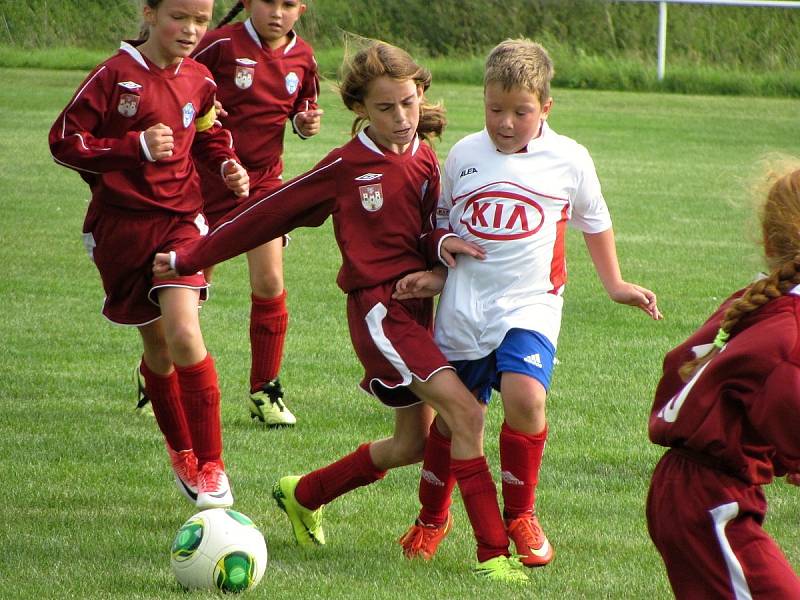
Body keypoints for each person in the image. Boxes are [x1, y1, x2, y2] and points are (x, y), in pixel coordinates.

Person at [154, 40, 531, 583]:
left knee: (413, 444)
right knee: (467, 413)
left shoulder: (425, 156)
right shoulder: (346, 167)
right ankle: (494, 555)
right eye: (386, 108)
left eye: (408, 102)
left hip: (420, 312)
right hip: (380, 313)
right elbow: (263, 215)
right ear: (360, 109)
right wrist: (189, 255)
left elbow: (429, 231)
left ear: (420, 93)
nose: (402, 118)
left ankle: (305, 493)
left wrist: (443, 261)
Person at [392, 38, 662, 567]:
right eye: (495, 110)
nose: (506, 123)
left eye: (522, 111)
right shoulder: (465, 153)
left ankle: (520, 513)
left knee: (526, 398)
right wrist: (437, 269)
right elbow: (443, 220)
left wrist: (615, 284)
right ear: (483, 101)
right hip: (465, 311)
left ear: (546, 108)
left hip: (531, 305)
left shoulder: (569, 159)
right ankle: (430, 518)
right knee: (449, 424)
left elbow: (595, 220)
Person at [49, 0, 250, 509]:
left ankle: (211, 464)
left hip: (182, 221)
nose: (191, 30)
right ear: (149, 12)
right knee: (159, 350)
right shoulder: (113, 74)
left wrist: (226, 164)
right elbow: (63, 142)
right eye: (179, 17)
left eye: (201, 20)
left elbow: (207, 133)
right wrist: (132, 147)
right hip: (121, 229)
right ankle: (181, 450)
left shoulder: (200, 79)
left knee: (184, 330)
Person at [138, 0, 323, 426]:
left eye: (288, 4)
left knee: (270, 279)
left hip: (262, 184)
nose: (277, 12)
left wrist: (303, 124)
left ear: (302, 8)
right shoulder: (219, 44)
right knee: (193, 288)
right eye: (268, 2)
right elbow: (175, 82)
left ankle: (265, 390)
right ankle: (159, 366)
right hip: (205, 183)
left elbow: (299, 110)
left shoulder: (304, 56)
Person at [646, 162, 800, 599]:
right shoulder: (788, 326)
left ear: (768, 241)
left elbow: (680, 362)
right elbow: (788, 398)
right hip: (709, 499)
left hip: (695, 489)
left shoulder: (758, 302)